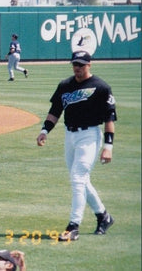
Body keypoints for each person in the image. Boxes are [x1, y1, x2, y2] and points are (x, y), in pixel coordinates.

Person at [36, 51, 116, 242]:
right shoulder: (65, 85)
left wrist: (108, 146)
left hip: (90, 135)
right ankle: (103, 216)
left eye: (81, 64)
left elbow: (109, 118)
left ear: (89, 65)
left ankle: (73, 226)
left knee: (78, 177)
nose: (77, 68)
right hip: (70, 135)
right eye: (75, 64)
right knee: (82, 180)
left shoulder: (101, 87)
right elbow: (55, 110)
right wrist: (44, 131)